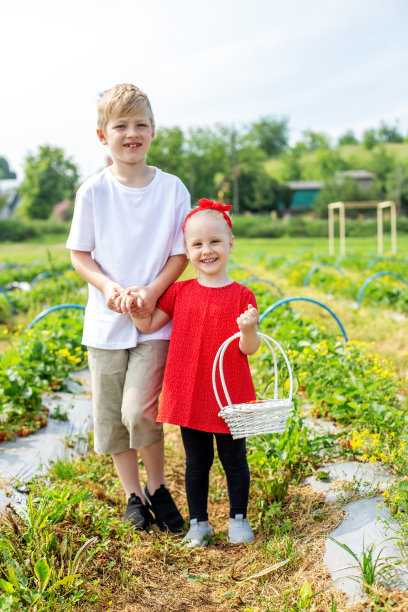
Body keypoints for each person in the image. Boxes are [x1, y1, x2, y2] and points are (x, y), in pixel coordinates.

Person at [66, 83, 191, 532]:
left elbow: (181, 253)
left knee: (141, 409)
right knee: (111, 417)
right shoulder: (93, 191)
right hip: (105, 322)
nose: (131, 133)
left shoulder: (172, 189)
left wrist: (154, 290)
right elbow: (81, 255)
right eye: (121, 125)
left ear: (153, 131)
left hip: (154, 321)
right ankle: (133, 496)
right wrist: (106, 287)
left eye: (140, 125)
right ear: (103, 135)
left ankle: (158, 486)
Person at [120, 198, 260, 547]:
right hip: (190, 391)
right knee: (197, 461)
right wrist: (137, 308)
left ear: (230, 243)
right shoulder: (181, 291)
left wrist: (248, 330)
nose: (206, 250)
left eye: (215, 241)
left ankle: (238, 517)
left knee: (233, 458)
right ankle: (199, 522)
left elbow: (248, 349)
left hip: (229, 394)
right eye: (197, 244)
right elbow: (151, 322)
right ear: (186, 249)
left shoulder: (242, 294)